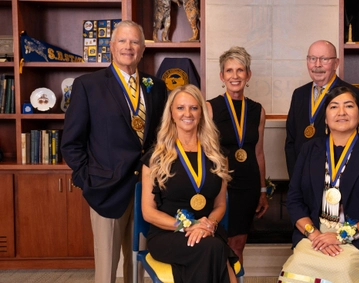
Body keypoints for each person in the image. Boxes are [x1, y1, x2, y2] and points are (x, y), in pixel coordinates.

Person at [61, 20, 167, 283]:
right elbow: (71, 142)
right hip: (105, 190)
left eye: (134, 42)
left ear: (143, 49)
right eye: (122, 41)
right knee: (107, 270)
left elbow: (161, 137)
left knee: (141, 266)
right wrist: (87, 181)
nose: (128, 47)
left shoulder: (157, 86)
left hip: (146, 190)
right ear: (111, 46)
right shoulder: (88, 85)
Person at [279, 86, 359, 283]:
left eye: (349, 106)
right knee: (296, 266)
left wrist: (341, 237)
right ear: (325, 118)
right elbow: (294, 200)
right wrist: (314, 234)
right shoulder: (309, 150)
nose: (341, 112)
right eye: (334, 107)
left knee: (342, 268)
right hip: (314, 236)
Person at [141, 84, 239, 283]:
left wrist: (208, 224)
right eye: (180, 108)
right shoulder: (156, 157)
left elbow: (220, 204)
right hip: (168, 232)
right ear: (171, 113)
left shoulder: (217, 155)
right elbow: (148, 212)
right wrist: (187, 227)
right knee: (214, 249)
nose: (188, 113)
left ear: (201, 113)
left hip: (208, 229)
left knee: (210, 247)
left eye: (194, 108)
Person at [206, 46, 269, 264]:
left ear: (248, 75)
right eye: (229, 71)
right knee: (217, 244)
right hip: (220, 185)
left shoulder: (258, 110)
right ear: (222, 76)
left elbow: (258, 152)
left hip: (248, 186)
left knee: (238, 245)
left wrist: (262, 190)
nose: (235, 76)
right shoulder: (209, 108)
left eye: (240, 70)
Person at [285, 40, 359, 179]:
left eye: (324, 59)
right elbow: (291, 141)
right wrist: (295, 177)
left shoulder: (352, 94)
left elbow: (354, 140)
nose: (317, 65)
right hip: (303, 175)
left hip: (336, 175)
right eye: (312, 59)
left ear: (336, 63)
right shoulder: (299, 94)